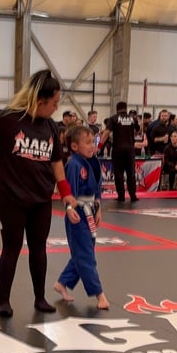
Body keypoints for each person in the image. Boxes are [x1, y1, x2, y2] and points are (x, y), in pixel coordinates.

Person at [0, 69, 76, 318]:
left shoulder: (50, 126)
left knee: (39, 249)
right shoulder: (6, 120)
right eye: (54, 103)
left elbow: (56, 162)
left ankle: (40, 298)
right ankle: (4, 301)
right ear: (39, 100)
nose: (56, 108)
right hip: (10, 199)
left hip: (40, 199)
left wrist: (65, 193)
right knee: (11, 248)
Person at [53, 125, 109, 310]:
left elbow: (97, 190)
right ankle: (99, 294)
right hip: (77, 213)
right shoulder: (73, 164)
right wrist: (69, 208)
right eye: (87, 143)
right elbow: (69, 191)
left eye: (93, 142)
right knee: (85, 255)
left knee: (85, 251)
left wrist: (98, 209)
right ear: (75, 146)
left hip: (90, 212)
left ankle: (62, 282)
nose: (92, 146)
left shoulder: (94, 162)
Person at [99, 101, 137, 202]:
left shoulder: (113, 118)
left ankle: (121, 196)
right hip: (130, 149)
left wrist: (99, 146)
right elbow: (136, 131)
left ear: (117, 109)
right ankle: (133, 196)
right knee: (131, 173)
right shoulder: (132, 119)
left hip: (118, 149)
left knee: (118, 173)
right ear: (126, 108)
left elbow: (106, 133)